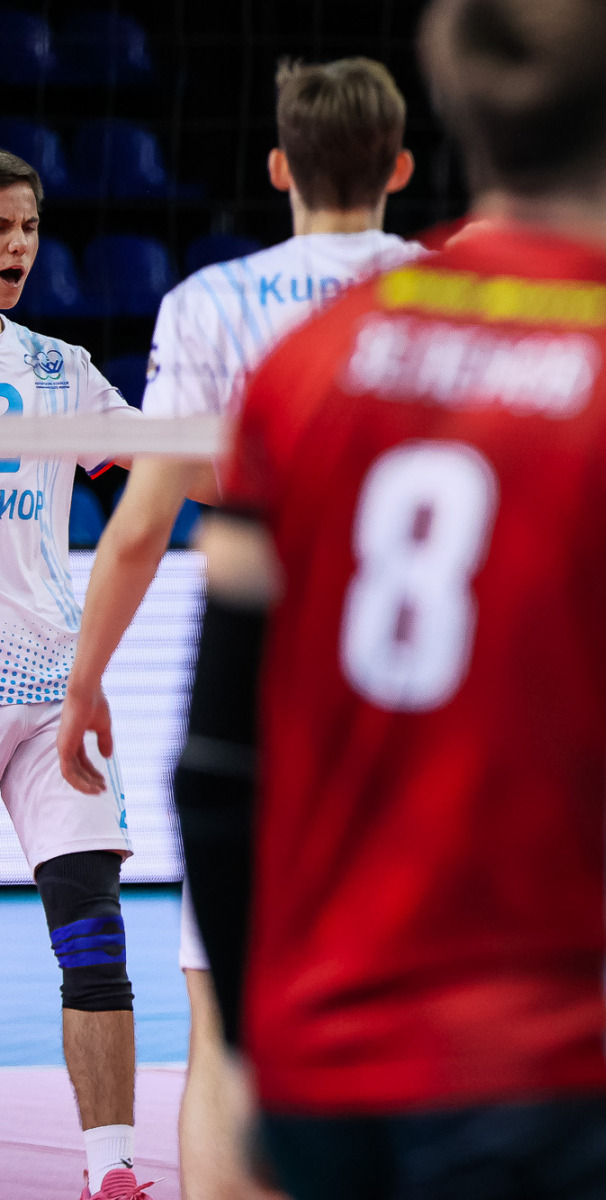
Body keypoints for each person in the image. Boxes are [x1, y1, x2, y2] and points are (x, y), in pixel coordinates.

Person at [150, 2, 606, 1195]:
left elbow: (215, 771)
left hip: (326, 1044)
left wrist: (251, 1055)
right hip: (554, 1054)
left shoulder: (305, 364)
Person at [53, 58, 418, 1199]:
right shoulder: (456, 294)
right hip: (424, 689)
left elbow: (139, 529)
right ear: (401, 167)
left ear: (278, 167)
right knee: (415, 1022)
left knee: (222, 1034)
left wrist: (83, 682)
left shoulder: (210, 302)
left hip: (264, 694)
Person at [0, 149, 145, 1200]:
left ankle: (112, 1171)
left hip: (52, 685)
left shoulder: (58, 367)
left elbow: (172, 461)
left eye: (28, 228)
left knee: (92, 935)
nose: (16, 248)